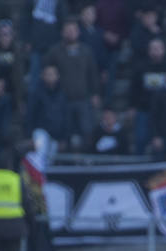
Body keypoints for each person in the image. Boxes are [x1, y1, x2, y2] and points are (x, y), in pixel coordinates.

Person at [43, 17, 101, 151]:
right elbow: (47, 72)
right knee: (65, 133)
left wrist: (96, 93)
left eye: (73, 30)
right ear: (62, 32)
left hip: (83, 98)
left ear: (78, 32)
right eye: (67, 30)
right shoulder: (54, 52)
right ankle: (66, 162)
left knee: (87, 131)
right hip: (62, 100)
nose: (70, 33)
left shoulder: (86, 51)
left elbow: (93, 74)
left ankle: (88, 160)